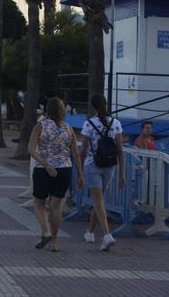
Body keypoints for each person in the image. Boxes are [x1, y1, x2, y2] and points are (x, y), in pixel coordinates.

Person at [28, 98, 83, 252]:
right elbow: (75, 154)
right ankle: (54, 242)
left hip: (43, 169)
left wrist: (46, 164)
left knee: (39, 203)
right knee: (56, 206)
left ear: (47, 110)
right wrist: (80, 174)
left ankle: (45, 231)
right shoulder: (68, 128)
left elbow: (31, 149)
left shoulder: (41, 126)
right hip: (65, 169)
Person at [80, 94, 125, 251]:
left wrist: (79, 170)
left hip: (92, 164)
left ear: (93, 106)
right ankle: (90, 232)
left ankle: (107, 235)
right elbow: (120, 150)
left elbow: (84, 150)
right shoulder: (116, 123)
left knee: (98, 201)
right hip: (110, 165)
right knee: (99, 199)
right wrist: (122, 174)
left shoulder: (88, 124)